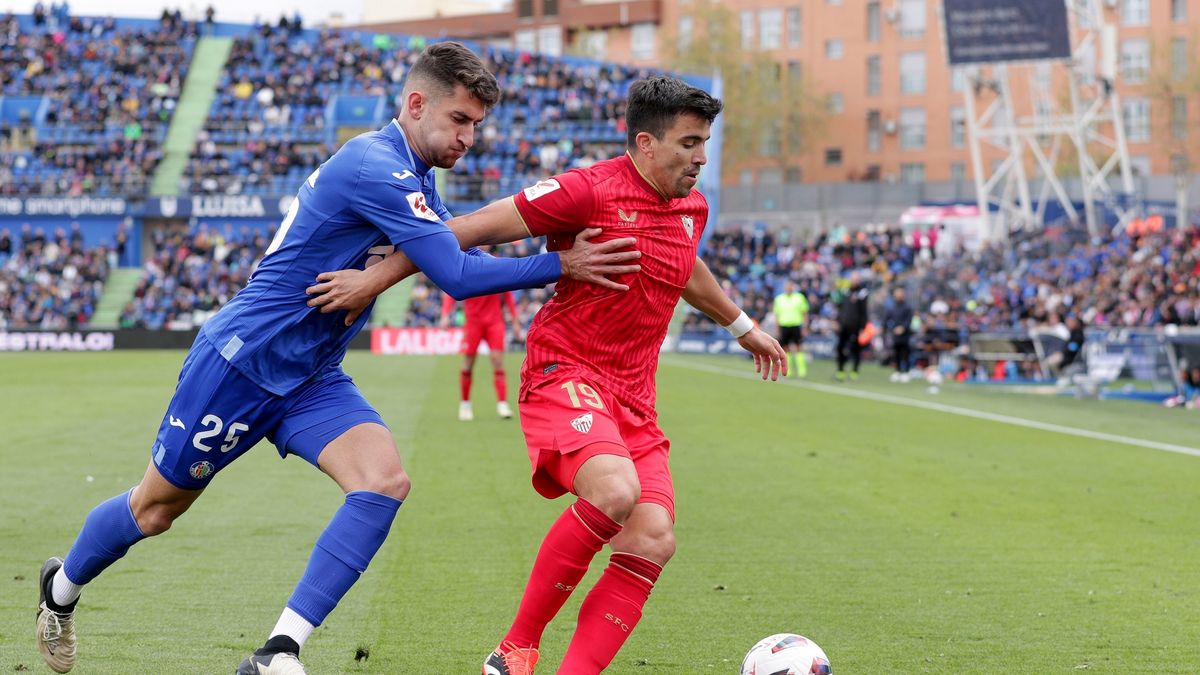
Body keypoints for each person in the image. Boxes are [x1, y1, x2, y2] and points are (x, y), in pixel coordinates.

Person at [34, 42, 639, 675]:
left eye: (477, 125)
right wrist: (560, 264)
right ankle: (61, 589)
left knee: (382, 482)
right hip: (243, 363)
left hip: (312, 375)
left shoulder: (415, 175)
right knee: (156, 510)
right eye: (459, 120)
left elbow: (450, 253)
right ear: (415, 104)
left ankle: (279, 651)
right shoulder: (376, 166)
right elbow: (457, 274)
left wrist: (378, 279)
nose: (470, 138)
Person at [306, 75, 787, 675]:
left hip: (635, 398)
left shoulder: (692, 206)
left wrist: (743, 326)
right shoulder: (586, 191)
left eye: (705, 141)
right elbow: (462, 230)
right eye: (689, 142)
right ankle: (513, 649)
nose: (701, 157)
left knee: (653, 537)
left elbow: (685, 265)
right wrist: (373, 279)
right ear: (645, 143)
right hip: (567, 372)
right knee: (614, 491)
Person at [441, 284, 522, 421]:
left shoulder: (497, 267)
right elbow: (452, 290)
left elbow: (507, 294)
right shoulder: (470, 266)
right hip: (473, 322)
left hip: (494, 322)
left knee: (498, 362)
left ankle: (502, 404)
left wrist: (515, 321)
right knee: (468, 363)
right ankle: (465, 405)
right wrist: (445, 314)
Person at [834, 272, 870, 382]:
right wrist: (837, 321)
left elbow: (863, 312)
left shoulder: (862, 293)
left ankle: (854, 371)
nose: (855, 281)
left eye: (857, 279)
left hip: (855, 327)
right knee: (840, 348)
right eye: (853, 279)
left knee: (855, 350)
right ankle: (840, 371)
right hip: (844, 326)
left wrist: (862, 328)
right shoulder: (845, 291)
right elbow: (841, 308)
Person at [772, 279, 809, 378]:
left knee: (798, 347)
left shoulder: (799, 298)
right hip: (784, 326)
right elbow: (777, 315)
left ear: (793, 287)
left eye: (790, 286)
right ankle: (788, 370)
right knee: (785, 349)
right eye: (787, 286)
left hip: (796, 325)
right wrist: (777, 328)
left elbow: (805, 313)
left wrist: (805, 327)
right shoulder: (779, 299)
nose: (788, 288)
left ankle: (802, 370)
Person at [884, 286, 914, 382]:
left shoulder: (907, 307)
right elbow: (887, 319)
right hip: (895, 334)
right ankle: (897, 371)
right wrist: (890, 328)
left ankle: (906, 371)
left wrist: (903, 328)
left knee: (905, 353)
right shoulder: (892, 307)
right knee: (896, 353)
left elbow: (909, 320)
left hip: (905, 335)